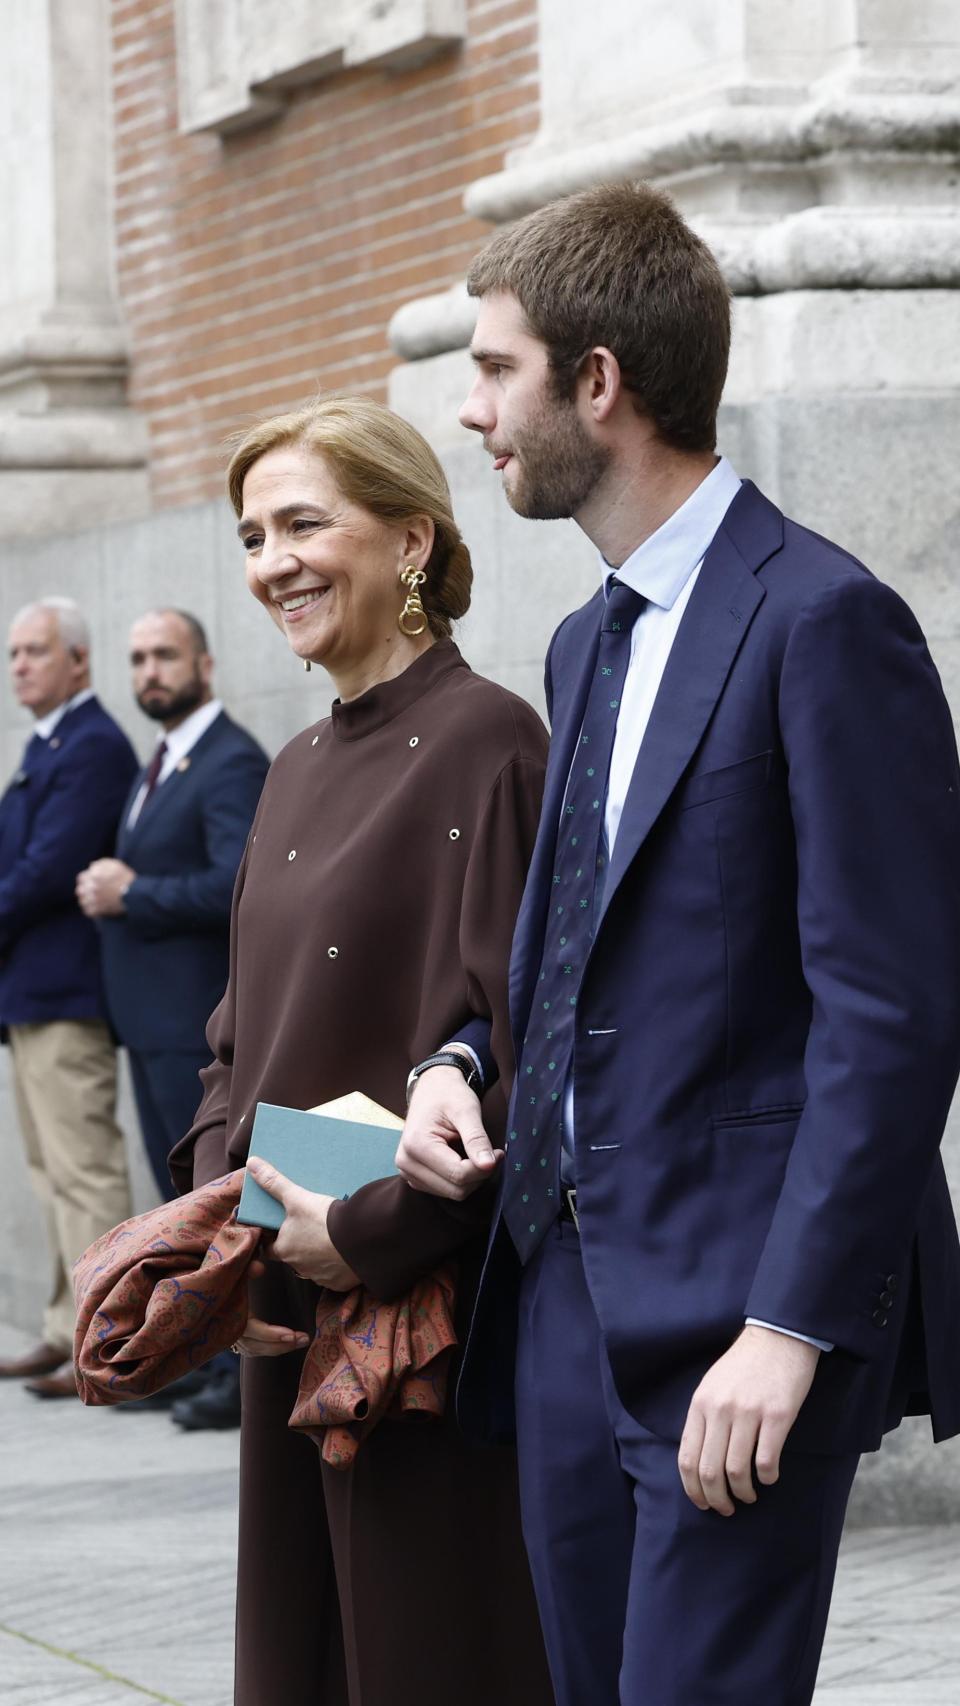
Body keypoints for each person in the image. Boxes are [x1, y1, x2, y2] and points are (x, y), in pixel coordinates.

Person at [397, 181, 960, 1706]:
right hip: (564, 1299)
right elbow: (582, 940)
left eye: (495, 368)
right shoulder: (586, 640)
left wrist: (791, 1326)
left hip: (740, 1309)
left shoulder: (827, 619)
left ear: (599, 380)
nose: (470, 411)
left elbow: (892, 1011)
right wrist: (460, 1063)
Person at [167, 395, 553, 1706]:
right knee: (302, 1656)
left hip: (417, 1321)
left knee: (425, 1652)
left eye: (302, 522)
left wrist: (362, 1223)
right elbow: (240, 1038)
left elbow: (515, 1041)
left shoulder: (491, 739)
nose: (271, 557)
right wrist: (247, 1218)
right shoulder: (287, 766)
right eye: (251, 532)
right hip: (287, 1276)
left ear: (410, 540)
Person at [76, 607, 269, 1429]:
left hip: (196, 1024)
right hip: (148, 1021)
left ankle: (236, 1381)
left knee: (207, 1202)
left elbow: (238, 884)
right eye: (138, 658)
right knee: (174, 1204)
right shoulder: (159, 761)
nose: (149, 671)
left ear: (205, 664)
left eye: (164, 655)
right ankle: (199, 1357)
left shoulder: (229, 761)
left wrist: (134, 895)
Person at [0, 597, 138, 1399]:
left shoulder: (91, 746)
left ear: (78, 661)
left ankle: (109, 1348)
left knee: (83, 1171)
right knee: (52, 1170)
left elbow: (46, 868)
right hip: (30, 993)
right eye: (14, 653)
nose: (19, 665)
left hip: (65, 990)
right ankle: (66, 1327)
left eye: (34, 651)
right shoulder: (49, 741)